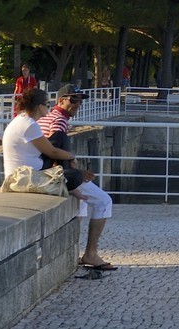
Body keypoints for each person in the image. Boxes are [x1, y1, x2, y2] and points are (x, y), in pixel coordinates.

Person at [39, 85, 116, 271]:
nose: (77, 104)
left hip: (43, 172)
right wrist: (75, 174)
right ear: (60, 100)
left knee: (80, 205)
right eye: (73, 100)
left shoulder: (48, 118)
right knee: (104, 201)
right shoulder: (58, 121)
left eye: (79, 101)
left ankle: (72, 253)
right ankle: (90, 253)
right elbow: (54, 151)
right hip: (52, 175)